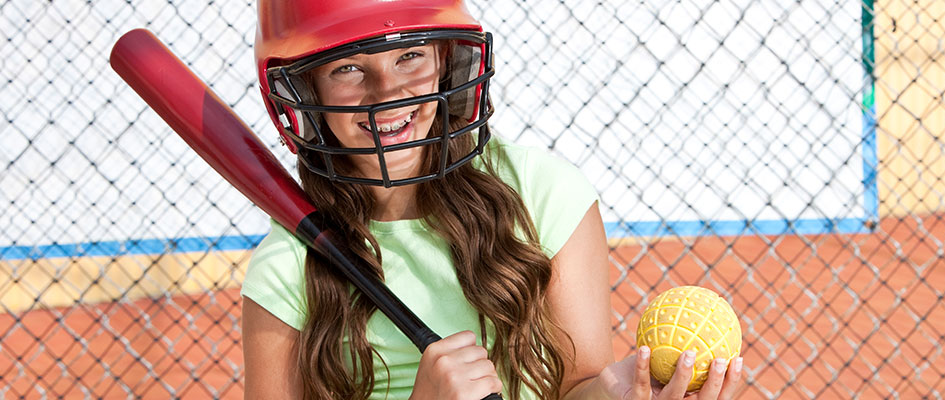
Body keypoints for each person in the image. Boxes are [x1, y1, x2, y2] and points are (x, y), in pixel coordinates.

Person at [240, 0, 744, 399]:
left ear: (446, 60)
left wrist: (621, 396)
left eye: (410, 54)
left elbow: (577, 388)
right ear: (301, 88)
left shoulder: (541, 192)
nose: (387, 92)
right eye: (347, 68)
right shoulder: (289, 263)